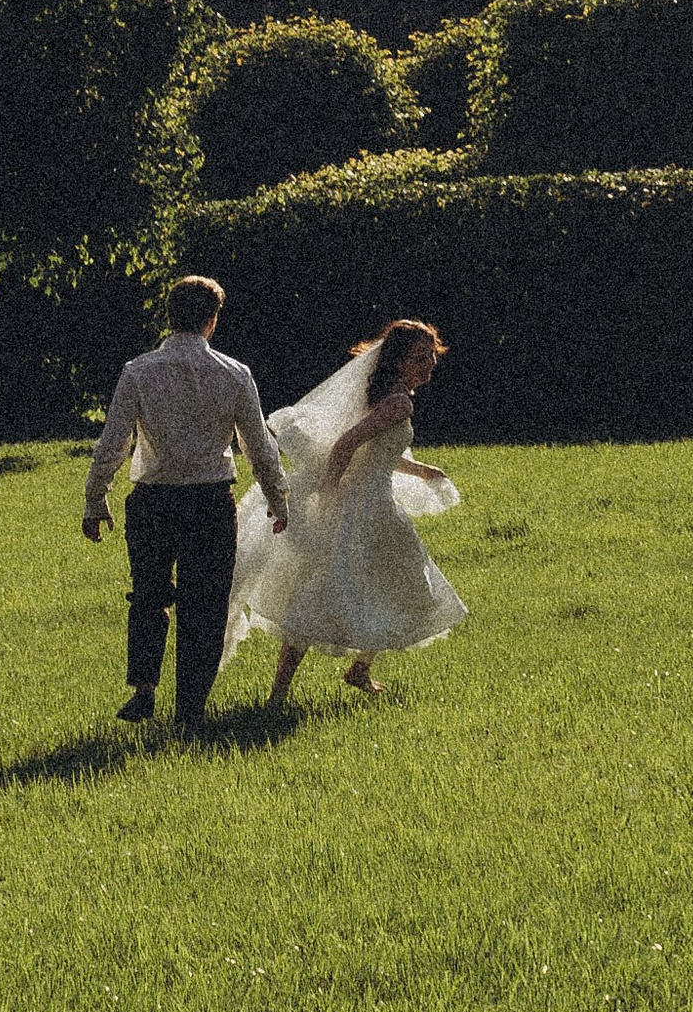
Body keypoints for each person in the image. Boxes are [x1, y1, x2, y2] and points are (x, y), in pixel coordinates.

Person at [83, 276, 289, 726]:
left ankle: (144, 688)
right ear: (212, 320)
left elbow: (113, 443)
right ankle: (189, 709)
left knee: (148, 596)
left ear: (170, 317)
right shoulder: (234, 374)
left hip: (153, 500)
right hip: (210, 502)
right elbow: (258, 446)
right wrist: (277, 498)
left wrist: (96, 498)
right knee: (205, 607)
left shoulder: (138, 371)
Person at [227, 319, 467, 703]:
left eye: (431, 356)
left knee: (384, 586)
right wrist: (328, 490)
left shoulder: (386, 396)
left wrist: (421, 470)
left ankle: (349, 672)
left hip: (373, 503)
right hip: (370, 506)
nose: (430, 365)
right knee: (393, 588)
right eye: (420, 358)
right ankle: (293, 689)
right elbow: (345, 445)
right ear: (398, 361)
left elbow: (377, 451)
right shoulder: (398, 402)